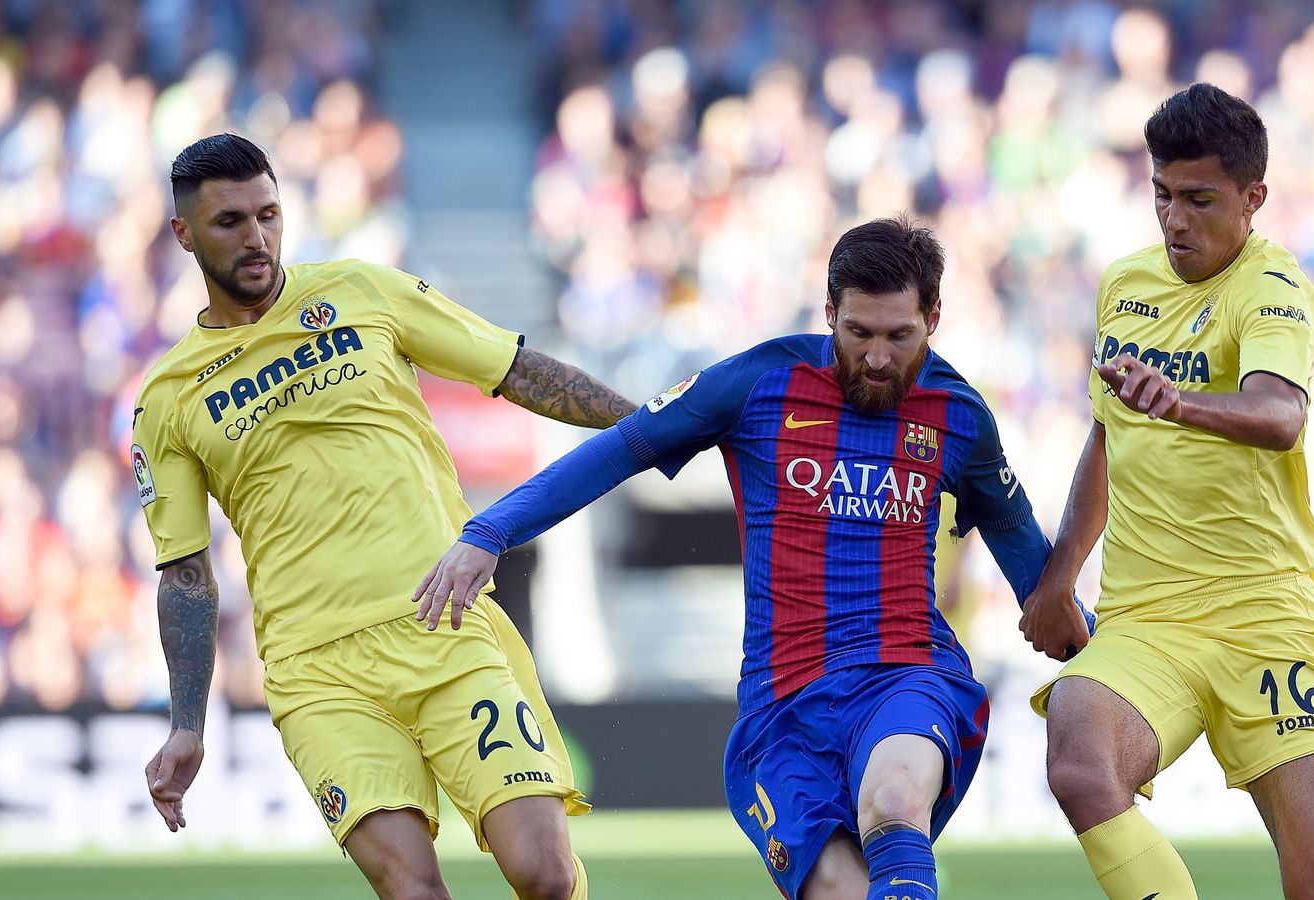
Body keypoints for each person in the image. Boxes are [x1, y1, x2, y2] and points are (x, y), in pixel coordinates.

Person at [416, 216, 1095, 900]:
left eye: (900, 335)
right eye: (859, 333)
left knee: (893, 802)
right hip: (782, 709)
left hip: (905, 673)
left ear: (935, 317)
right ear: (829, 312)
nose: (879, 358)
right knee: (842, 892)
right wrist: (491, 531)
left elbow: (1027, 557)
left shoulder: (958, 415)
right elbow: (621, 449)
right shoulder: (757, 383)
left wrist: (1092, 638)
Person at [136, 133, 634, 900]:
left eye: (268, 213)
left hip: (441, 622)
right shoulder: (167, 398)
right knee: (414, 890)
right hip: (317, 672)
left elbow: (515, 368)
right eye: (231, 221)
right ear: (185, 234)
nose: (257, 236)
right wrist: (187, 722)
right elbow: (186, 573)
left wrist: (648, 424)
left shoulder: (362, 292)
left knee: (544, 872)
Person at [1018, 83, 1314, 899]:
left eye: (1199, 200)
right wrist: (1060, 576)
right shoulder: (1123, 287)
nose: (1175, 219)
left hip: (1264, 613)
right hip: (1148, 617)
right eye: (1162, 195)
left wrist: (1181, 401)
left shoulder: (1272, 289)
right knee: (1077, 756)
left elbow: (1282, 415)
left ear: (1254, 199)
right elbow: (1107, 438)